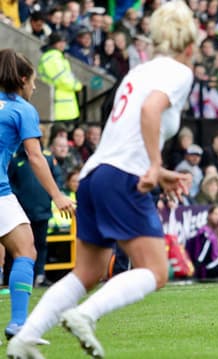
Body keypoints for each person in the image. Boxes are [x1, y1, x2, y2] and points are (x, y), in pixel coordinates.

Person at [7, 2, 197, 358]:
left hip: (95, 175)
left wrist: (160, 170)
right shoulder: (178, 71)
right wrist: (155, 166)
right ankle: (85, 315)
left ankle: (24, 339)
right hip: (122, 178)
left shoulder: (139, 71)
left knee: (87, 271)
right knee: (156, 271)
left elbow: (128, 128)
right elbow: (150, 110)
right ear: (190, 43)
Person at [0, 48, 75, 342]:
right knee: (25, 250)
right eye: (33, 81)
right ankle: (19, 323)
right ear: (21, 79)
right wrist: (58, 196)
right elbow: (35, 156)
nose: (34, 87)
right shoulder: (22, 109)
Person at [9, 144, 61, 288]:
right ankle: (22, 277)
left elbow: (56, 177)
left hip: (42, 209)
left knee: (41, 244)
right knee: (22, 246)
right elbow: (9, 182)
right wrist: (18, 197)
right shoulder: (15, 159)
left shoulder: (48, 157)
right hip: (22, 211)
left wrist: (52, 196)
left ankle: (39, 275)